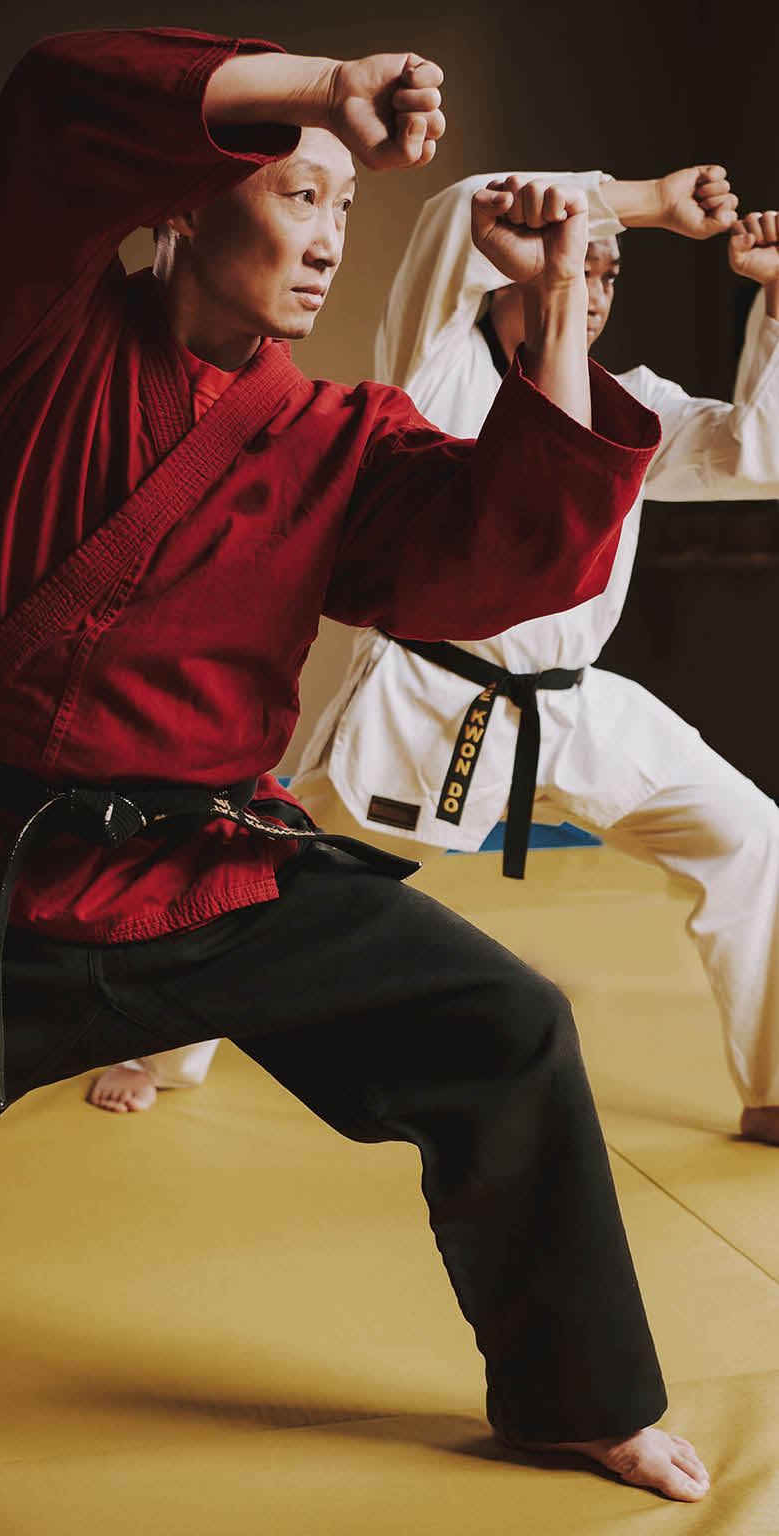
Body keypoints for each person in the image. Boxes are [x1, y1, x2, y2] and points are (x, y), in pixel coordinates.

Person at [0, 28, 713, 1501]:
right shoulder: (30, 339)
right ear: (186, 198)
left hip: (219, 879)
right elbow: (51, 105)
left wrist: (551, 308)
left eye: (347, 213)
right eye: (300, 196)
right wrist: (318, 91)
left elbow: (502, 565)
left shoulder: (340, 442)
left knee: (511, 1027)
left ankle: (577, 1399)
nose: (326, 241)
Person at [92, 180, 779, 1136]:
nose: (588, 292)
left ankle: (775, 1091)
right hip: (434, 703)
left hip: (577, 708)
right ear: (508, 269)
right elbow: (458, 213)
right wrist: (653, 202)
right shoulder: (440, 360)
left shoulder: (632, 403)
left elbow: (760, 451)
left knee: (752, 835)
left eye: (607, 276)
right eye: (574, 267)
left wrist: (778, 303)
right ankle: (158, 1045)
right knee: (281, 875)